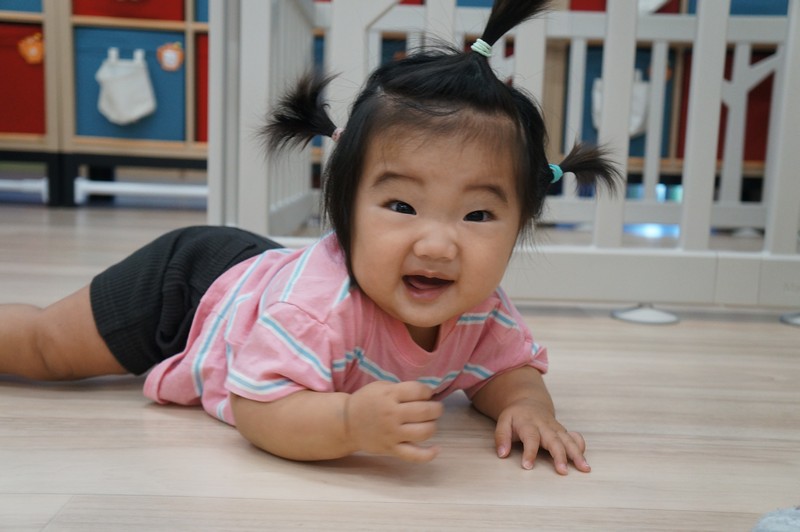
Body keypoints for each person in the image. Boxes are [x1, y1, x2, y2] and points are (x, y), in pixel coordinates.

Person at [0, 0, 620, 474]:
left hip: (261, 285)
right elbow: (258, 406)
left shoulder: (481, 307)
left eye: (478, 216)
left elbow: (506, 369)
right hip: (188, 288)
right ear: (343, 210)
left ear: (522, 225)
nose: (437, 245)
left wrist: (527, 406)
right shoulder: (318, 311)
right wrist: (348, 423)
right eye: (402, 206)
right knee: (48, 347)